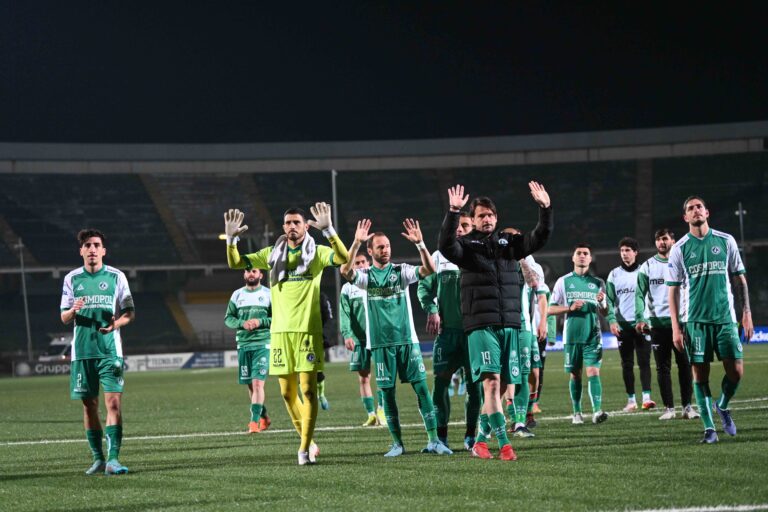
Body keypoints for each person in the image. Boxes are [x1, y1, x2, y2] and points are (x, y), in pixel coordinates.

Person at [224, 203, 349, 465]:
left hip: (306, 332)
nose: (292, 227)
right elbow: (235, 263)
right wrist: (232, 239)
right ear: (283, 227)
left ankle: (303, 448)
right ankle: (310, 442)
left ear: (306, 226)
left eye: (297, 223)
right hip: (280, 333)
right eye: (288, 223)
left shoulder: (317, 253)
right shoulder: (272, 254)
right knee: (287, 394)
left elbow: (343, 258)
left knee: (309, 391)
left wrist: (329, 231)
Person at [438, 182, 552, 461]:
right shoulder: (466, 245)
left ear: (496, 218)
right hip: (481, 325)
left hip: (510, 325)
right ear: (474, 220)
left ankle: (479, 440)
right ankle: (503, 444)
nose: (486, 219)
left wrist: (545, 209)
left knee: (502, 387)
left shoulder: (509, 244)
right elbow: (445, 246)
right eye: (481, 215)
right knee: (490, 384)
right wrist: (453, 212)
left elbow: (538, 238)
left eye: (490, 215)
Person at [341, 218, 451, 457]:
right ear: (370, 251)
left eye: (388, 245)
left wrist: (421, 244)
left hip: (407, 341)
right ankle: (397, 444)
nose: (386, 250)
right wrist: (356, 243)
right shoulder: (366, 277)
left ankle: (433, 440)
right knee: (387, 394)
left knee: (422, 388)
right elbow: (345, 271)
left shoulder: (401, 272)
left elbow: (430, 269)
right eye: (380, 247)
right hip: (380, 345)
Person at [667, 196, 753, 444]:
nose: (695, 211)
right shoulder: (680, 248)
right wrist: (676, 326)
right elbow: (672, 290)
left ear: (707, 212)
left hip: (725, 318)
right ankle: (709, 429)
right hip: (695, 321)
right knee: (699, 374)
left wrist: (746, 312)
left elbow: (739, 279)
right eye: (690, 209)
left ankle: (723, 406)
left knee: (736, 372)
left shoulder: (726, 241)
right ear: (686, 217)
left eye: (699, 207)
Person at [60, 229, 135, 476]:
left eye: (96, 245)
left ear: (103, 250)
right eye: (87, 245)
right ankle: (98, 459)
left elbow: (129, 312)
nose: (92, 249)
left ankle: (113, 460)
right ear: (81, 251)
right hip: (82, 352)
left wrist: (116, 324)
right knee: (88, 405)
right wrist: (73, 310)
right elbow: (63, 317)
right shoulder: (71, 278)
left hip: (110, 350)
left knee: (113, 403)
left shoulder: (117, 276)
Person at [417, 210, 482, 450]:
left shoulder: (479, 255)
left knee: (476, 387)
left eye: (464, 225)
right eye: (456, 225)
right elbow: (424, 288)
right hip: (447, 334)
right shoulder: (438, 256)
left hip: (474, 333)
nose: (460, 229)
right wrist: (431, 308)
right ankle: (441, 436)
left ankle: (470, 435)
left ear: (472, 227)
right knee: (440, 384)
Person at [635, 229, 699, 420]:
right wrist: (641, 318)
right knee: (662, 368)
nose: (661, 242)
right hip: (658, 324)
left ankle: (688, 407)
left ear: (673, 240)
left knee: (685, 365)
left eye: (665, 239)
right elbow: (639, 294)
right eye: (658, 239)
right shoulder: (647, 266)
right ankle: (669, 408)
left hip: (681, 322)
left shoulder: (683, 262)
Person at [549, 243, 610, 426]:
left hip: (593, 334)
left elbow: (606, 313)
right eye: (579, 253)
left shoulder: (598, 283)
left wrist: (603, 303)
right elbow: (550, 309)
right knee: (575, 375)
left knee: (593, 371)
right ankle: (577, 412)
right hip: (572, 336)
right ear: (573, 258)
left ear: (590, 259)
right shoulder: (563, 281)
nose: (582, 256)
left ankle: (597, 410)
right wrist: (569, 307)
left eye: (586, 253)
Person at [606, 237, 656, 412]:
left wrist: (649, 319)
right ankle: (631, 400)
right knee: (626, 364)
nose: (624, 254)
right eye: (622, 251)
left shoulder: (645, 271)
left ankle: (647, 398)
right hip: (623, 325)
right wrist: (612, 320)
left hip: (642, 325)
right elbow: (610, 301)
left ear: (635, 252)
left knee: (644, 362)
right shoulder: (614, 274)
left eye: (628, 250)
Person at [340, 252, 387, 427]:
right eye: (356, 263)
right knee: (364, 378)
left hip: (378, 337)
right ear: (352, 266)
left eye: (362, 262)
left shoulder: (376, 283)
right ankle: (371, 414)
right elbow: (345, 314)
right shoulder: (347, 289)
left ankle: (382, 409)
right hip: (358, 339)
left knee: (382, 375)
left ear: (368, 263)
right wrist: (347, 334)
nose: (360, 265)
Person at [225, 268, 272, 433]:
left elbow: (278, 317)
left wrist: (260, 322)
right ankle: (264, 415)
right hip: (243, 344)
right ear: (244, 275)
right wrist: (242, 324)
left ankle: (254, 423)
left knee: (258, 383)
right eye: (247, 271)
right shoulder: (237, 295)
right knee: (251, 386)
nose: (250, 274)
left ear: (261, 275)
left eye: (254, 271)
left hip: (262, 343)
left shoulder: (269, 294)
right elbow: (228, 318)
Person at [317, 291, 334, 410]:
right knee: (301, 373)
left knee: (318, 372)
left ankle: (321, 394)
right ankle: (308, 400)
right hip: (297, 339)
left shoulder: (321, 297)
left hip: (316, 340)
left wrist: (324, 336)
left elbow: (328, 318)